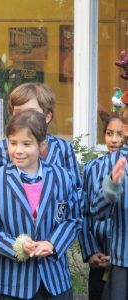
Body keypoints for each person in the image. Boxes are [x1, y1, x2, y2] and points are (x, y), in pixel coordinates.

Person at [0, 110, 83, 299]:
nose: (18, 150)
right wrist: (16, 246)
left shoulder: (62, 176)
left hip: (54, 282)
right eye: (13, 143)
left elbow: (73, 218)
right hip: (10, 285)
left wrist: (52, 243)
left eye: (27, 144)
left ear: (42, 145)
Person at [0, 82, 82, 188]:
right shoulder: (3, 148)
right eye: (18, 112)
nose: (25, 117)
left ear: (47, 117)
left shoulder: (62, 148)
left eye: (31, 112)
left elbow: (75, 187)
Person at [78, 115, 125, 300]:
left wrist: (119, 256)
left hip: (123, 260)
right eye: (109, 133)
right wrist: (91, 252)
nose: (114, 140)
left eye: (120, 134)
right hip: (99, 257)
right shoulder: (91, 168)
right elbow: (85, 212)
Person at [91, 104, 128, 300]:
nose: (114, 139)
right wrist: (112, 185)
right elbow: (96, 210)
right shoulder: (112, 162)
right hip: (121, 263)